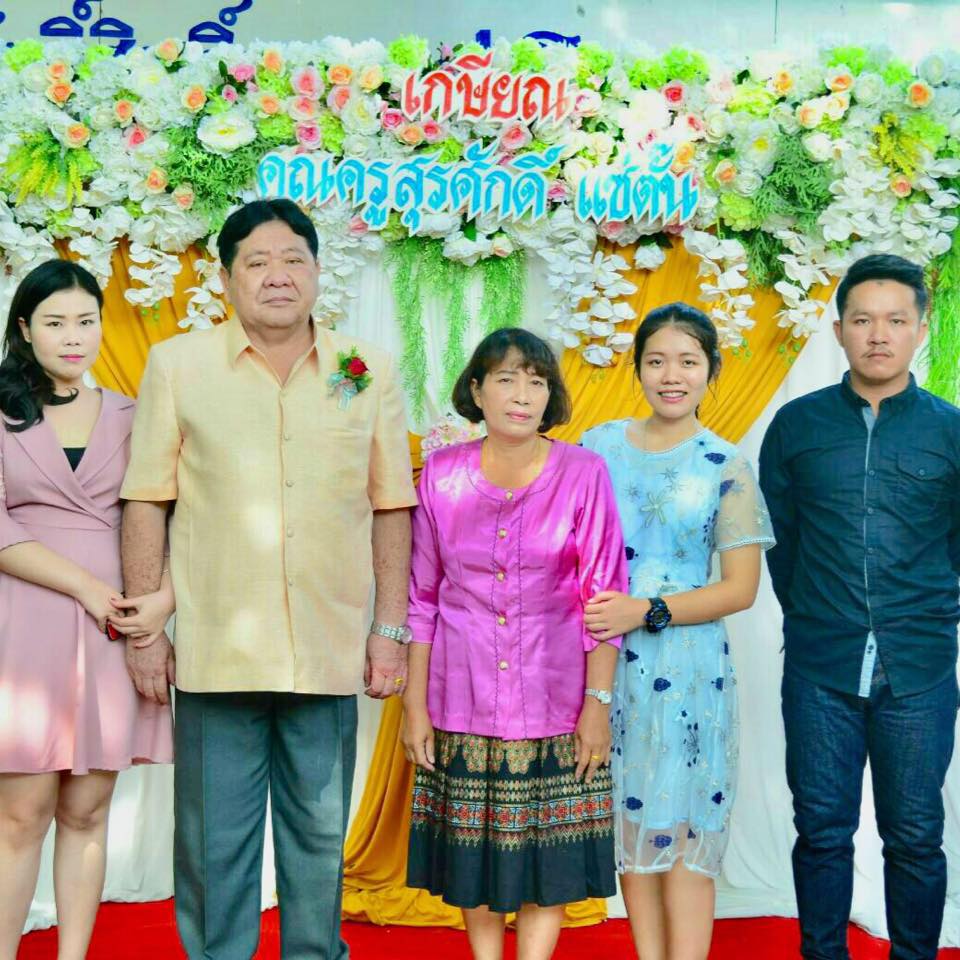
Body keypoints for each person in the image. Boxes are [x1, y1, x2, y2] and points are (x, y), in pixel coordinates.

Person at [119, 197, 417, 959]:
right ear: (226, 279)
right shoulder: (178, 366)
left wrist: (390, 628)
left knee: (318, 842)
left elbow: (391, 504)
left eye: (293, 259)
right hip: (217, 649)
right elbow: (147, 498)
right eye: (256, 261)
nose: (277, 275)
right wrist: (145, 632)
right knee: (213, 845)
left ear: (317, 272)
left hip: (327, 645)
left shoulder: (363, 369)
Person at [759, 253, 960, 960]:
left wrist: (927, 614)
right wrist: (819, 613)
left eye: (896, 320)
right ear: (839, 329)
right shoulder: (796, 426)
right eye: (863, 320)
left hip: (920, 670)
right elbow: (781, 542)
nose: (879, 335)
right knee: (821, 831)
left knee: (915, 835)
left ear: (920, 330)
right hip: (821, 667)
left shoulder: (950, 430)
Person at [403, 328, 627, 960]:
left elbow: (604, 600)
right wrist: (414, 706)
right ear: (477, 391)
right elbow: (421, 599)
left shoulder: (584, 473)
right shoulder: (441, 475)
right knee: (471, 860)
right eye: (505, 379)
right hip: (461, 699)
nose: (522, 394)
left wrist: (597, 705)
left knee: (547, 860)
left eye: (536, 381)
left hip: (556, 701)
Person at [581, 302, 774, 960]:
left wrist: (647, 610)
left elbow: (740, 589)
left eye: (688, 362)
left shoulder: (725, 463)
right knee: (632, 823)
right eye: (657, 361)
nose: (672, 376)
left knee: (687, 831)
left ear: (711, 371)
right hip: (607, 662)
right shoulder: (597, 448)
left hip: (691, 668)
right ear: (636, 368)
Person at [0, 260, 173, 960]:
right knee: (21, 815)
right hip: (24, 625)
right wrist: (83, 586)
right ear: (24, 329)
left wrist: (161, 600)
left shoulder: (137, 415)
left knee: (87, 811)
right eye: (55, 322)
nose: (73, 337)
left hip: (114, 631)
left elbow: (177, 517)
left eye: (85, 321)